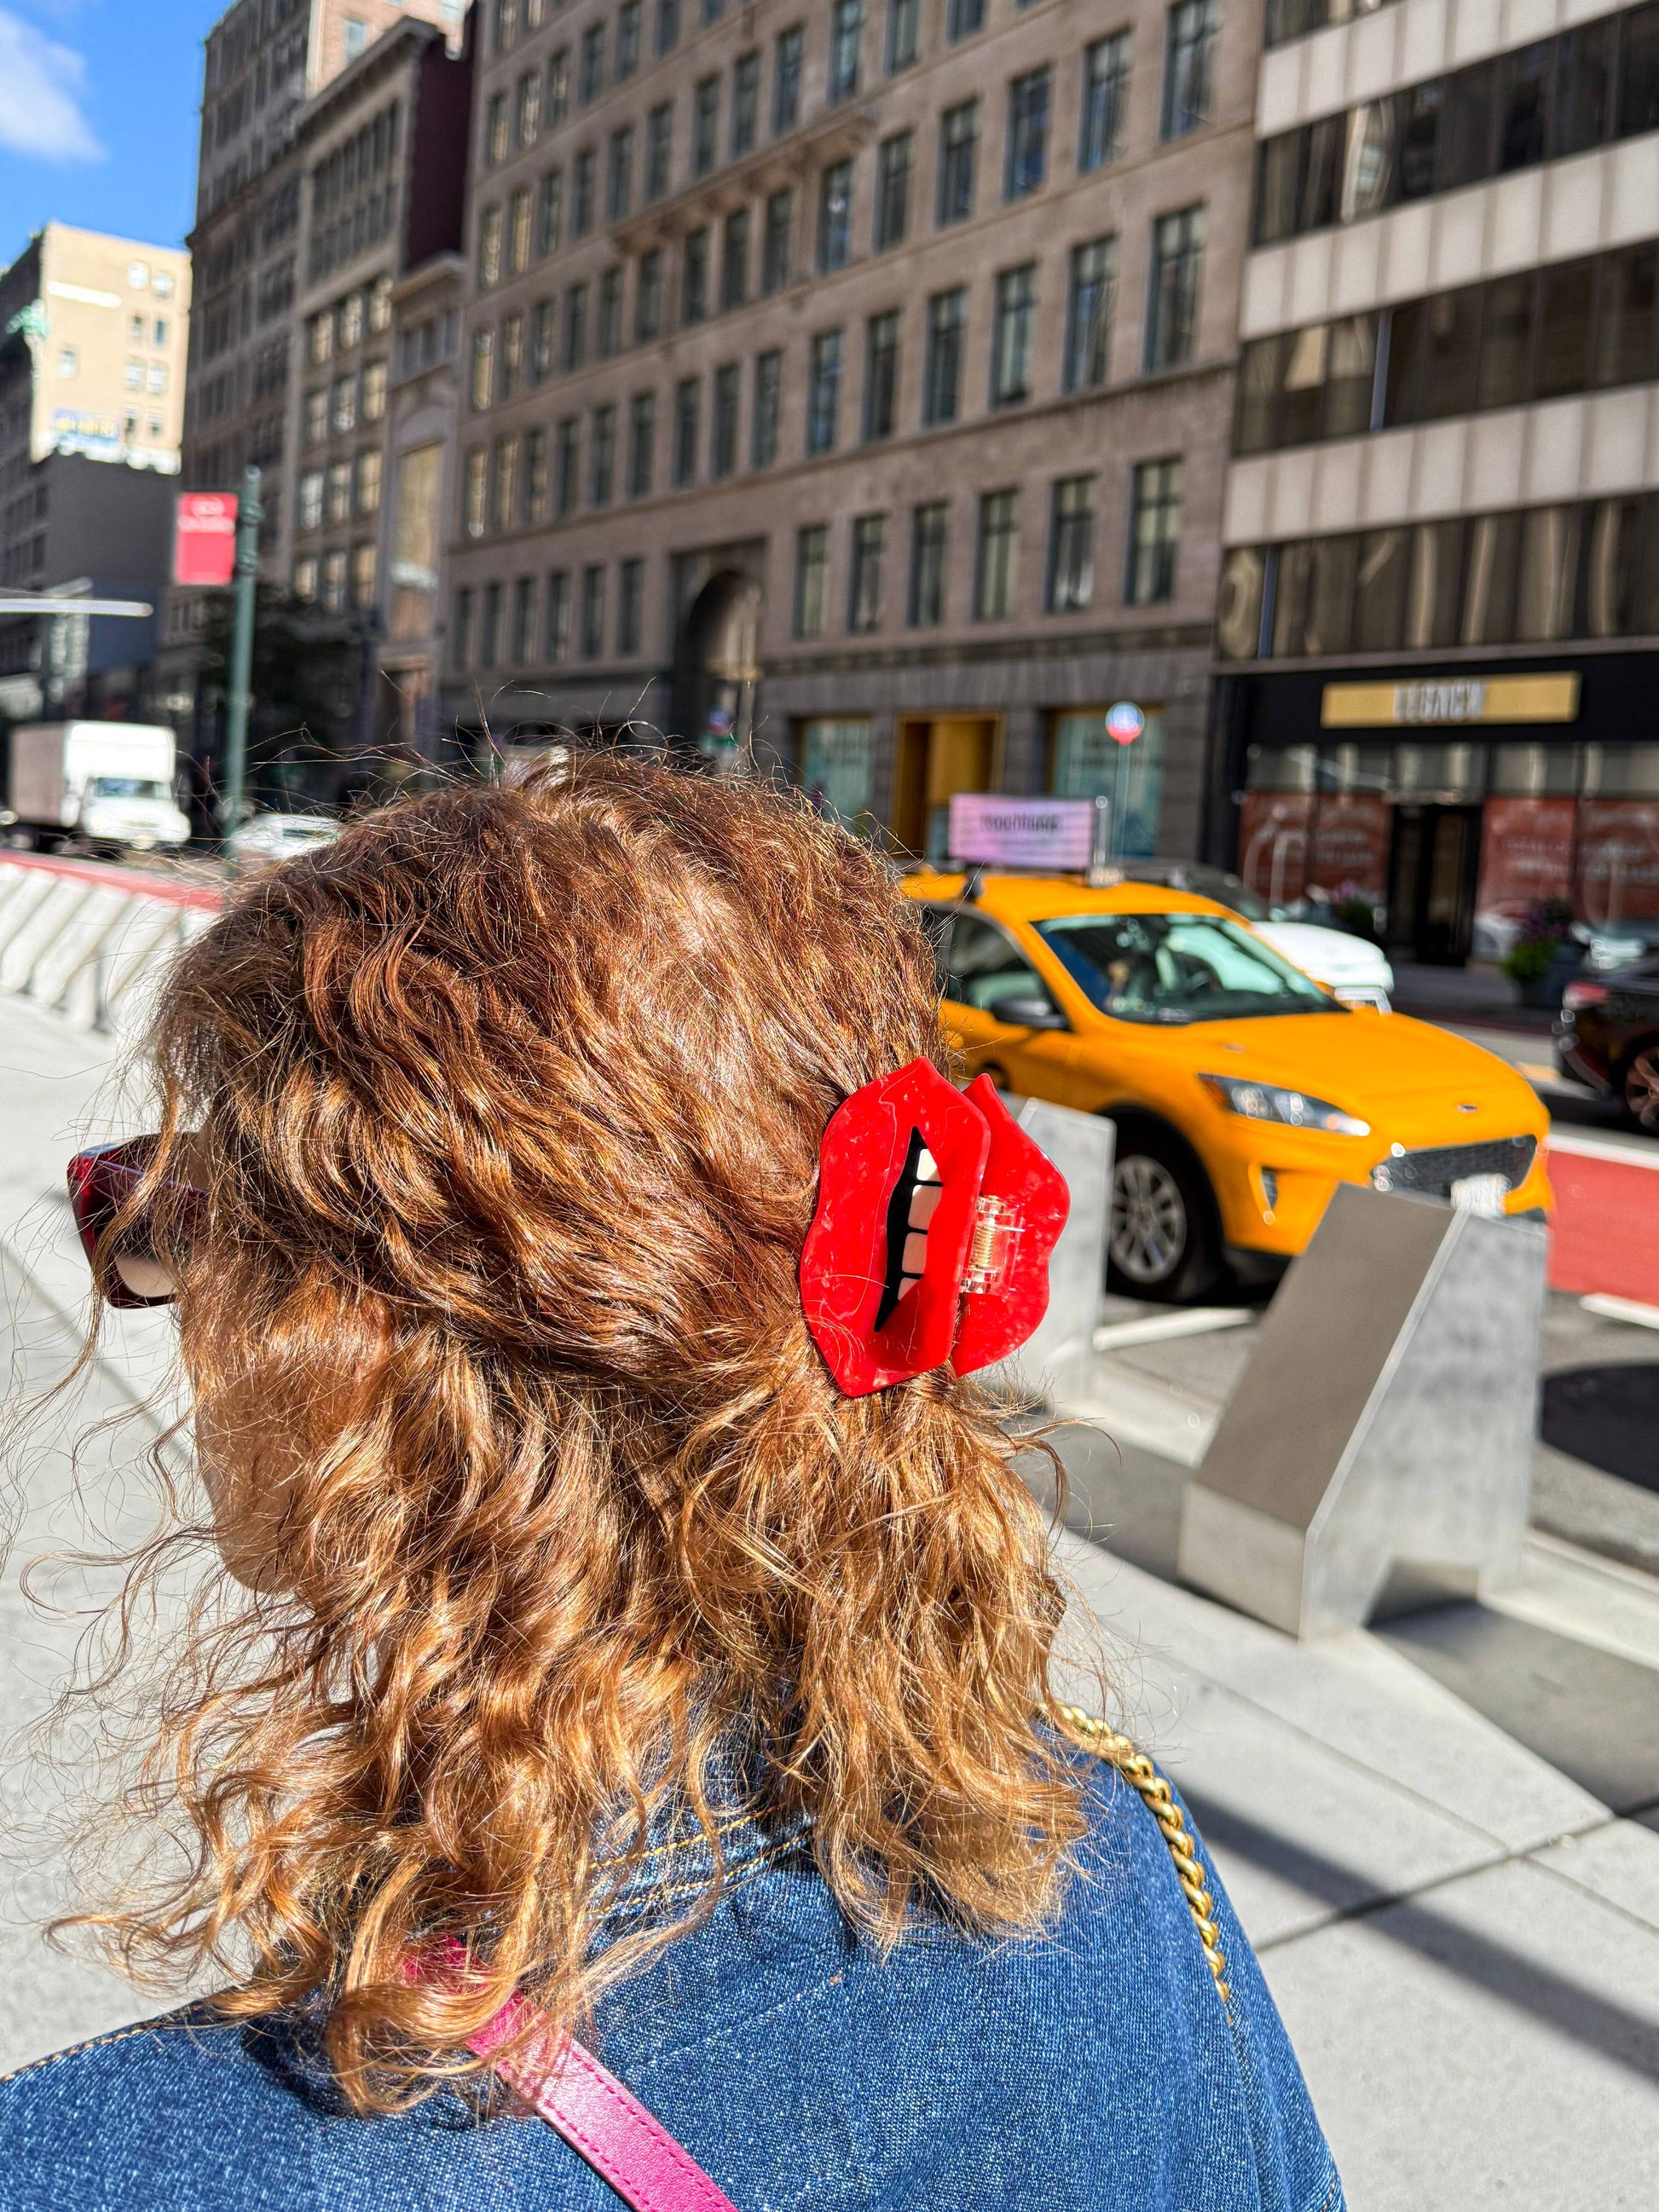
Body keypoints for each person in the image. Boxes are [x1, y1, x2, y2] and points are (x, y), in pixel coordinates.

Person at [2, 758, 1342, 2211]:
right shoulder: (1131, 1860)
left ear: (353, 1349)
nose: (156, 1267)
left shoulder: (119, 2165)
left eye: (189, 1207)